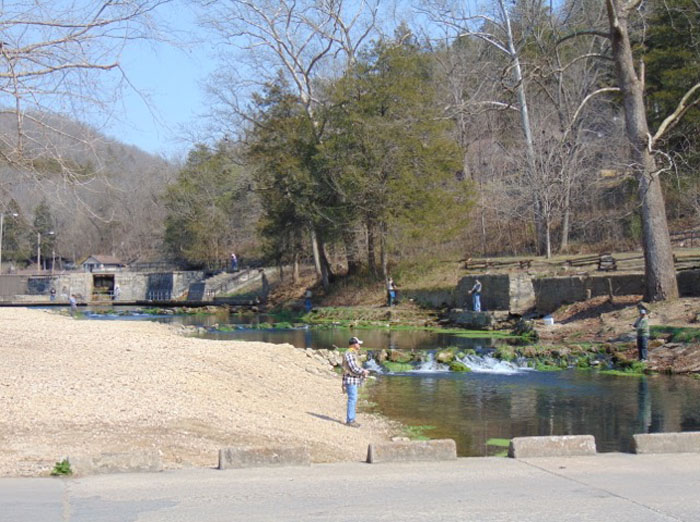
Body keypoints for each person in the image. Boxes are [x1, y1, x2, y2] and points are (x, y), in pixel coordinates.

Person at [342, 336, 369, 427]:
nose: (359, 345)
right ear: (354, 344)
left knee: (353, 399)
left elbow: (354, 366)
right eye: (358, 343)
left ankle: (351, 419)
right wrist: (363, 371)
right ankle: (350, 420)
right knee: (352, 399)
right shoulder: (349, 353)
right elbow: (353, 368)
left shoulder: (352, 353)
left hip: (353, 379)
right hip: (350, 379)